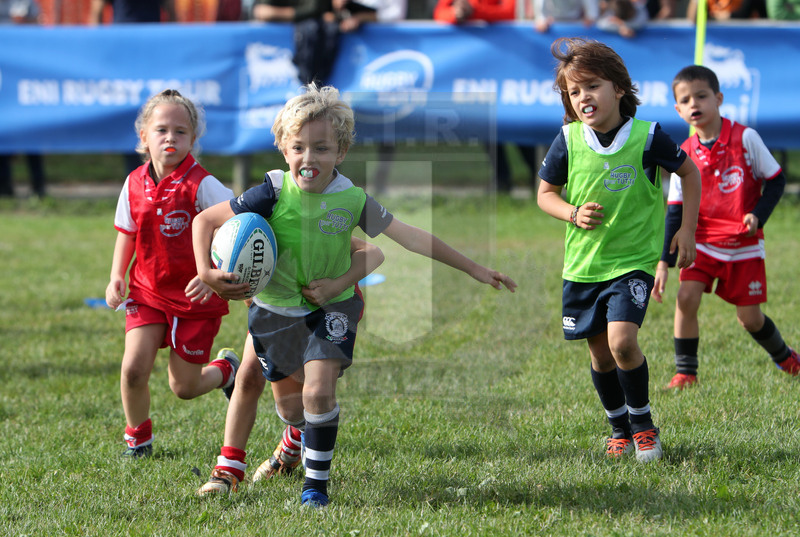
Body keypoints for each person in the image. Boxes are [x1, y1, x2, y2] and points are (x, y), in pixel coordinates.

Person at [192, 83, 517, 506]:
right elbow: (205, 221)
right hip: (275, 309)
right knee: (291, 409)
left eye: (322, 148)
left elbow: (410, 237)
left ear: (341, 152)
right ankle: (293, 437)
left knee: (317, 393)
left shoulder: (352, 199)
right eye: (299, 148)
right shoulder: (269, 192)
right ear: (284, 149)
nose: (310, 159)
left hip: (333, 308)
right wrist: (208, 272)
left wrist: (473, 267)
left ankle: (311, 487)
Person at [536, 38, 701, 462]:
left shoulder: (647, 137)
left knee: (623, 342)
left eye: (592, 86)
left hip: (632, 263)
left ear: (619, 89)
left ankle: (644, 426)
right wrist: (572, 213)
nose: (583, 98)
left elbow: (690, 172)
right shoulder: (568, 140)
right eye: (574, 92)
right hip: (583, 266)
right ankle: (618, 428)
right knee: (600, 354)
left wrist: (686, 230)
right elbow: (544, 195)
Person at [105, 89, 241, 458]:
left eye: (180, 132)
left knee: (184, 387)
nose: (170, 138)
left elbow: (239, 229)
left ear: (193, 140)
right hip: (147, 291)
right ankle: (138, 439)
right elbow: (128, 233)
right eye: (161, 130)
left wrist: (212, 272)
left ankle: (226, 371)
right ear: (143, 137)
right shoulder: (133, 183)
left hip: (196, 299)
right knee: (133, 369)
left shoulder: (203, 186)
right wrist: (117, 275)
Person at [652, 65, 799, 390]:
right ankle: (686, 372)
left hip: (741, 242)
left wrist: (758, 216)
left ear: (718, 98)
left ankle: (786, 356)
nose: (695, 104)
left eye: (702, 96)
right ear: (678, 109)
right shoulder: (683, 153)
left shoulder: (745, 138)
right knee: (686, 298)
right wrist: (664, 261)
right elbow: (674, 212)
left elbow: (776, 181)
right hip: (701, 241)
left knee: (750, 318)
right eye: (685, 100)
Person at [88, 0, 176, 176]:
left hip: (151, 53)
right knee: (129, 113)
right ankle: (135, 175)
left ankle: (159, 173)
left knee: (156, 108)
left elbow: (172, 13)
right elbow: (96, 12)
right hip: (122, 53)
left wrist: (169, 46)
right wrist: (99, 50)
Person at [0, 0, 46, 199]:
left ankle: (38, 187)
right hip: (4, 78)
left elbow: (33, 23)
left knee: (32, 131)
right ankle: (5, 188)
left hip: (23, 75)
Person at [533, 0, 599, 33]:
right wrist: (541, 18)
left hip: (575, 23)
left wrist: (591, 16)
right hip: (553, 23)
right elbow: (541, 16)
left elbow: (592, 14)